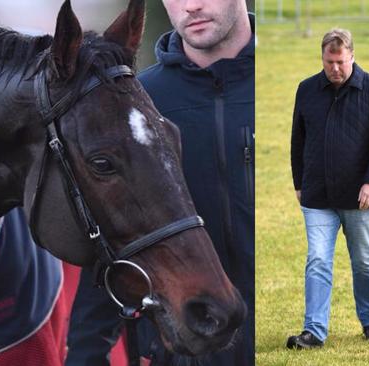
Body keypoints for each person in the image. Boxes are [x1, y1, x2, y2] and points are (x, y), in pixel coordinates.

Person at [65, 0, 254, 365]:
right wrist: (87, 354)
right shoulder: (132, 103)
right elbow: (110, 244)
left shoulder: (284, 87)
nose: (192, 6)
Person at [287, 28, 369, 349]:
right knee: (318, 259)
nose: (334, 68)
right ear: (322, 58)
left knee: (363, 260)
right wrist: (299, 182)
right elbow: (298, 139)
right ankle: (314, 331)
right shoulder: (306, 90)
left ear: (352, 57)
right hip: (317, 195)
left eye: (340, 62)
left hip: (360, 196)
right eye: (328, 62)